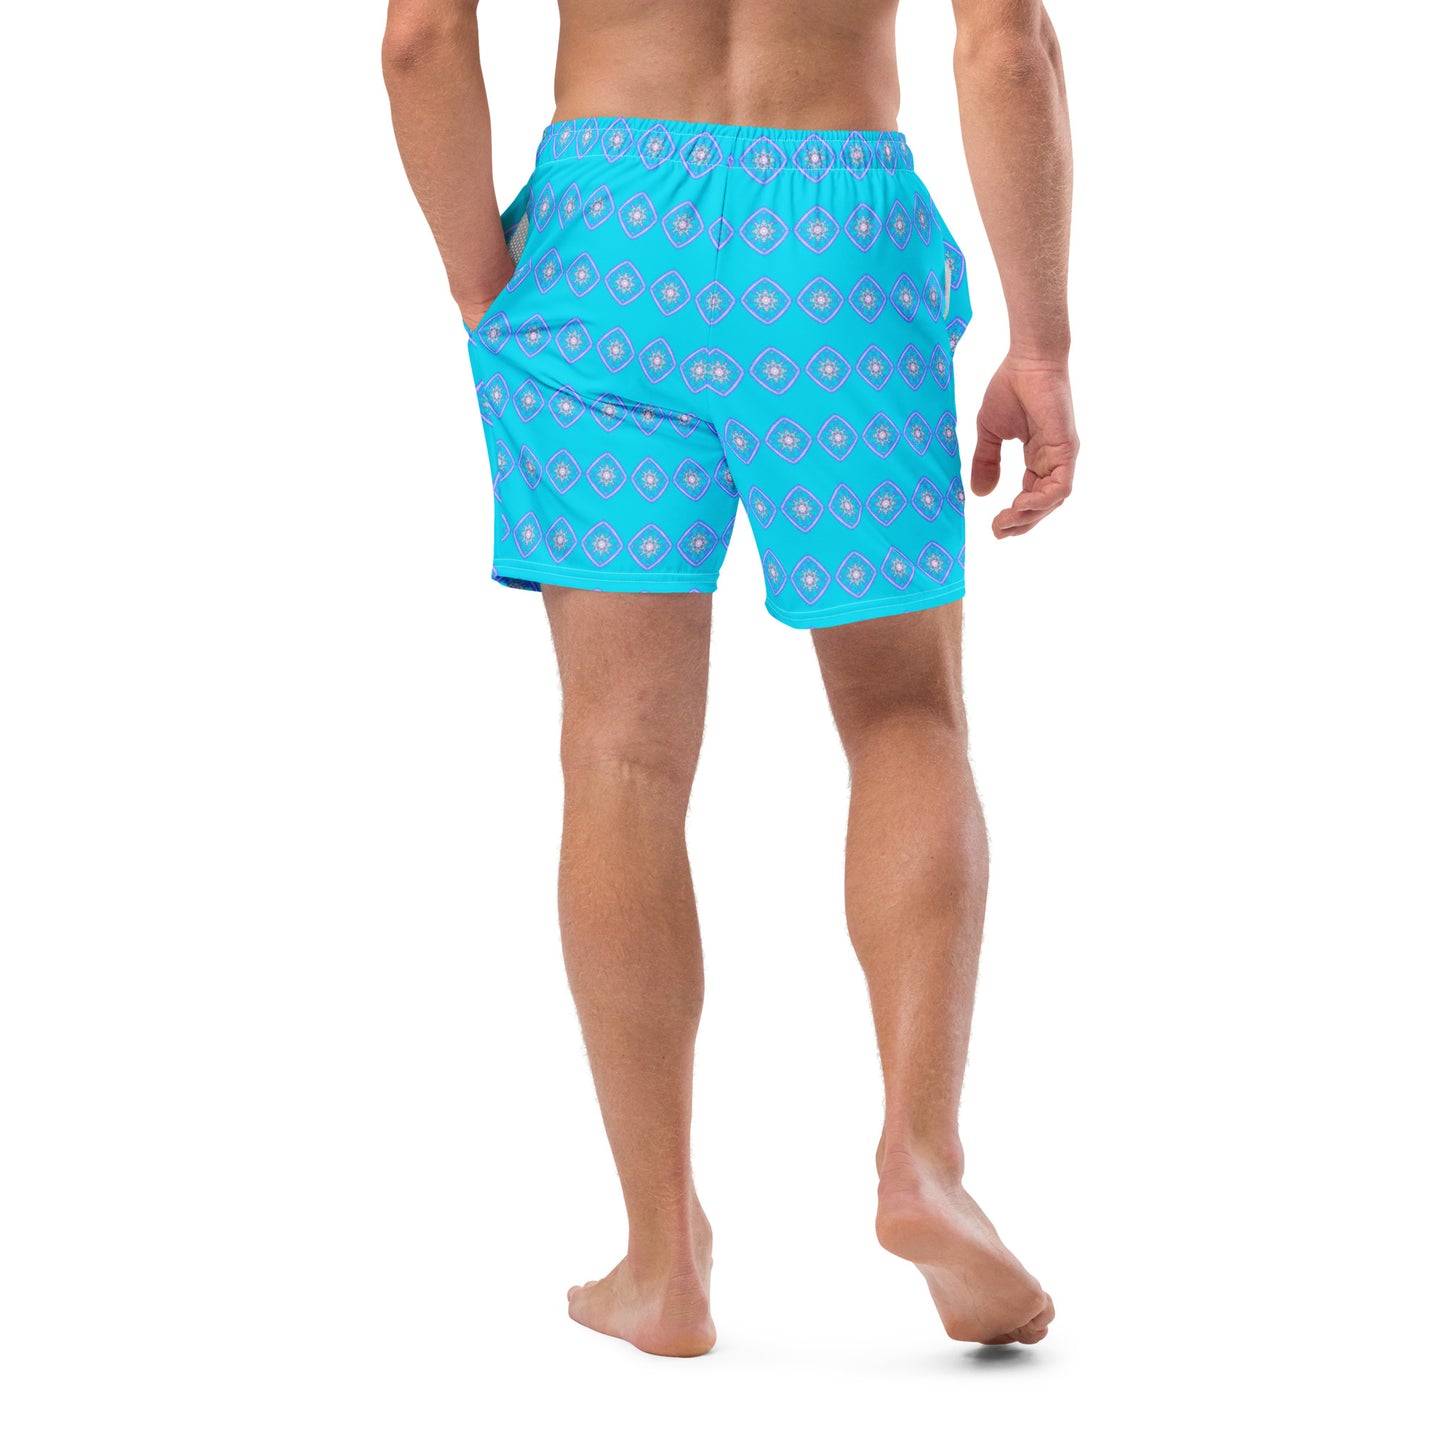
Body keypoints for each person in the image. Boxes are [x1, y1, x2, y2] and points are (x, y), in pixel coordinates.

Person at [382, 0, 1077, 1357]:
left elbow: (419, 40)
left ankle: (662, 1261)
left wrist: (479, 280)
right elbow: (1004, 44)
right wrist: (1040, 344)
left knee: (619, 757)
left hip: (602, 239)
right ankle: (920, 1157)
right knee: (904, 711)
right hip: (836, 238)